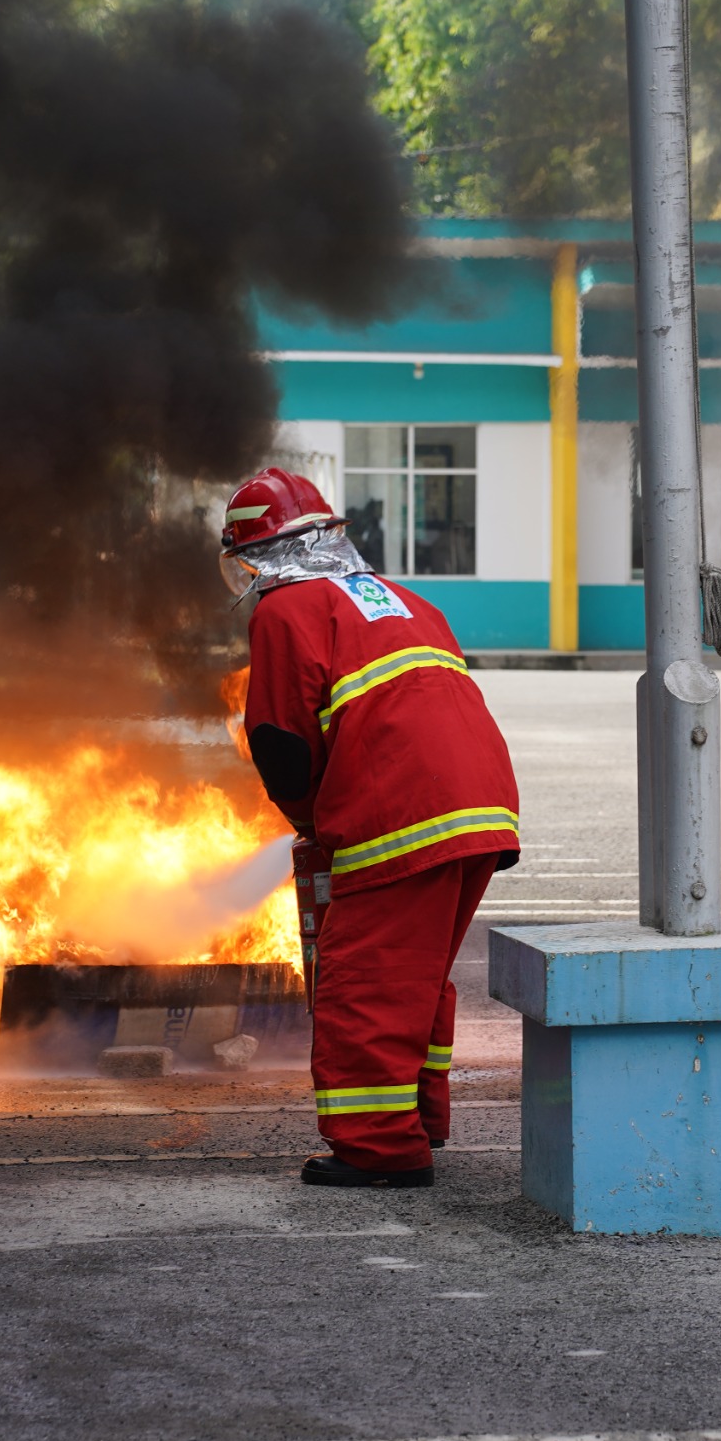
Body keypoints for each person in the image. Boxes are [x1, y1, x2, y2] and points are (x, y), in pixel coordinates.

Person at [222, 466, 520, 1188]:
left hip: (402, 810)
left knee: (366, 980)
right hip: (480, 807)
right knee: (416, 977)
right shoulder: (403, 600)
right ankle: (419, 1119)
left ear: (261, 556)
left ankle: (379, 1149)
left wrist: (309, 825)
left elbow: (283, 745)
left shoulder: (285, 610)